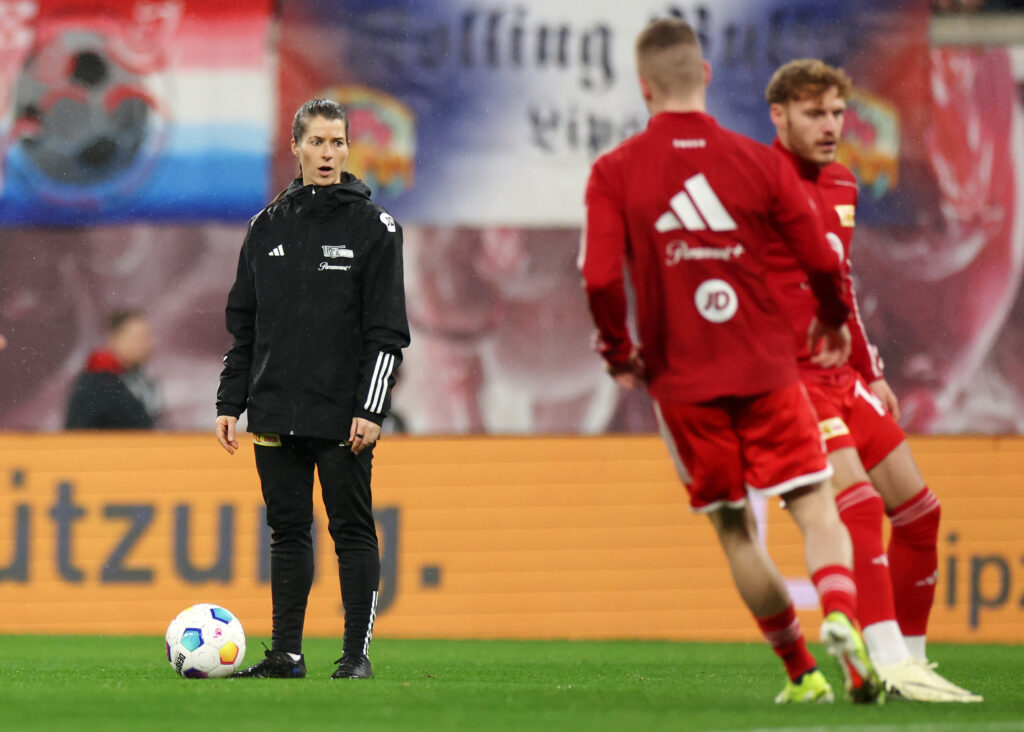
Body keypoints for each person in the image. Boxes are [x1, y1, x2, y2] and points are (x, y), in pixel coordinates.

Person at [580, 18, 883, 704]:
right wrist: (834, 321)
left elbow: (598, 277)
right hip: (768, 370)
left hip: (683, 384)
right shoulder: (759, 161)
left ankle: (803, 674)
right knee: (813, 502)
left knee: (734, 528)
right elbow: (823, 257)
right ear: (706, 78)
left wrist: (617, 351)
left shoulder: (615, 171)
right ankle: (840, 614)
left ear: (643, 86)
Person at [763, 58, 982, 702]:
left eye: (837, 112)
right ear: (779, 116)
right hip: (789, 380)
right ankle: (883, 659)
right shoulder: (756, 186)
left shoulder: (841, 185)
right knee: (855, 501)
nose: (832, 126)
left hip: (843, 378)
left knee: (919, 512)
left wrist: (870, 369)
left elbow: (841, 287)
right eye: (814, 114)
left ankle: (912, 662)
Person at [216, 98, 410, 680]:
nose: (329, 153)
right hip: (273, 407)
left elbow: (387, 332)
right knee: (287, 532)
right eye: (318, 143)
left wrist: (371, 408)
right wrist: (230, 402)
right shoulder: (265, 227)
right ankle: (286, 653)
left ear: (349, 150)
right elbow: (243, 325)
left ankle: (355, 655)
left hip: (341, 413)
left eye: (338, 143)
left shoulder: (375, 228)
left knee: (350, 529)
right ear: (295, 147)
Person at [65, 308, 162, 429]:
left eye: (148, 338)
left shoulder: (142, 381)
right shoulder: (96, 383)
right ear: (115, 340)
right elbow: (78, 431)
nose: (148, 344)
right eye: (139, 339)